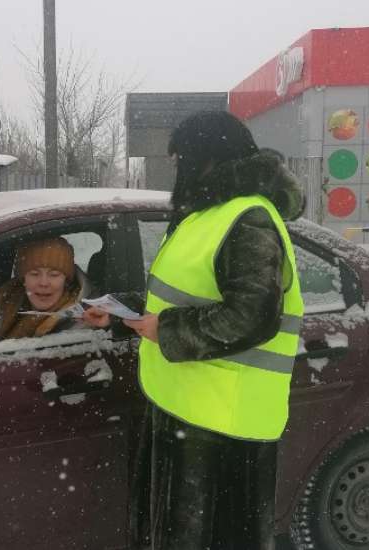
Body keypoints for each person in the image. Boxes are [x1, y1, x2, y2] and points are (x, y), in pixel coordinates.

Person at [86, 110, 305, 549]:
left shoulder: (248, 219)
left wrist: (166, 330)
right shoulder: (205, 214)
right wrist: (123, 316)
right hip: (186, 408)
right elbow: (182, 300)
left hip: (225, 426)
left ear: (208, 156)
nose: (177, 168)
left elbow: (253, 316)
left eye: (182, 157)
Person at [0, 236, 100, 344]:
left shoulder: (84, 322)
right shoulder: (8, 304)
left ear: (66, 280)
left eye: (54, 274)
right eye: (34, 273)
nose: (44, 283)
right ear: (23, 279)